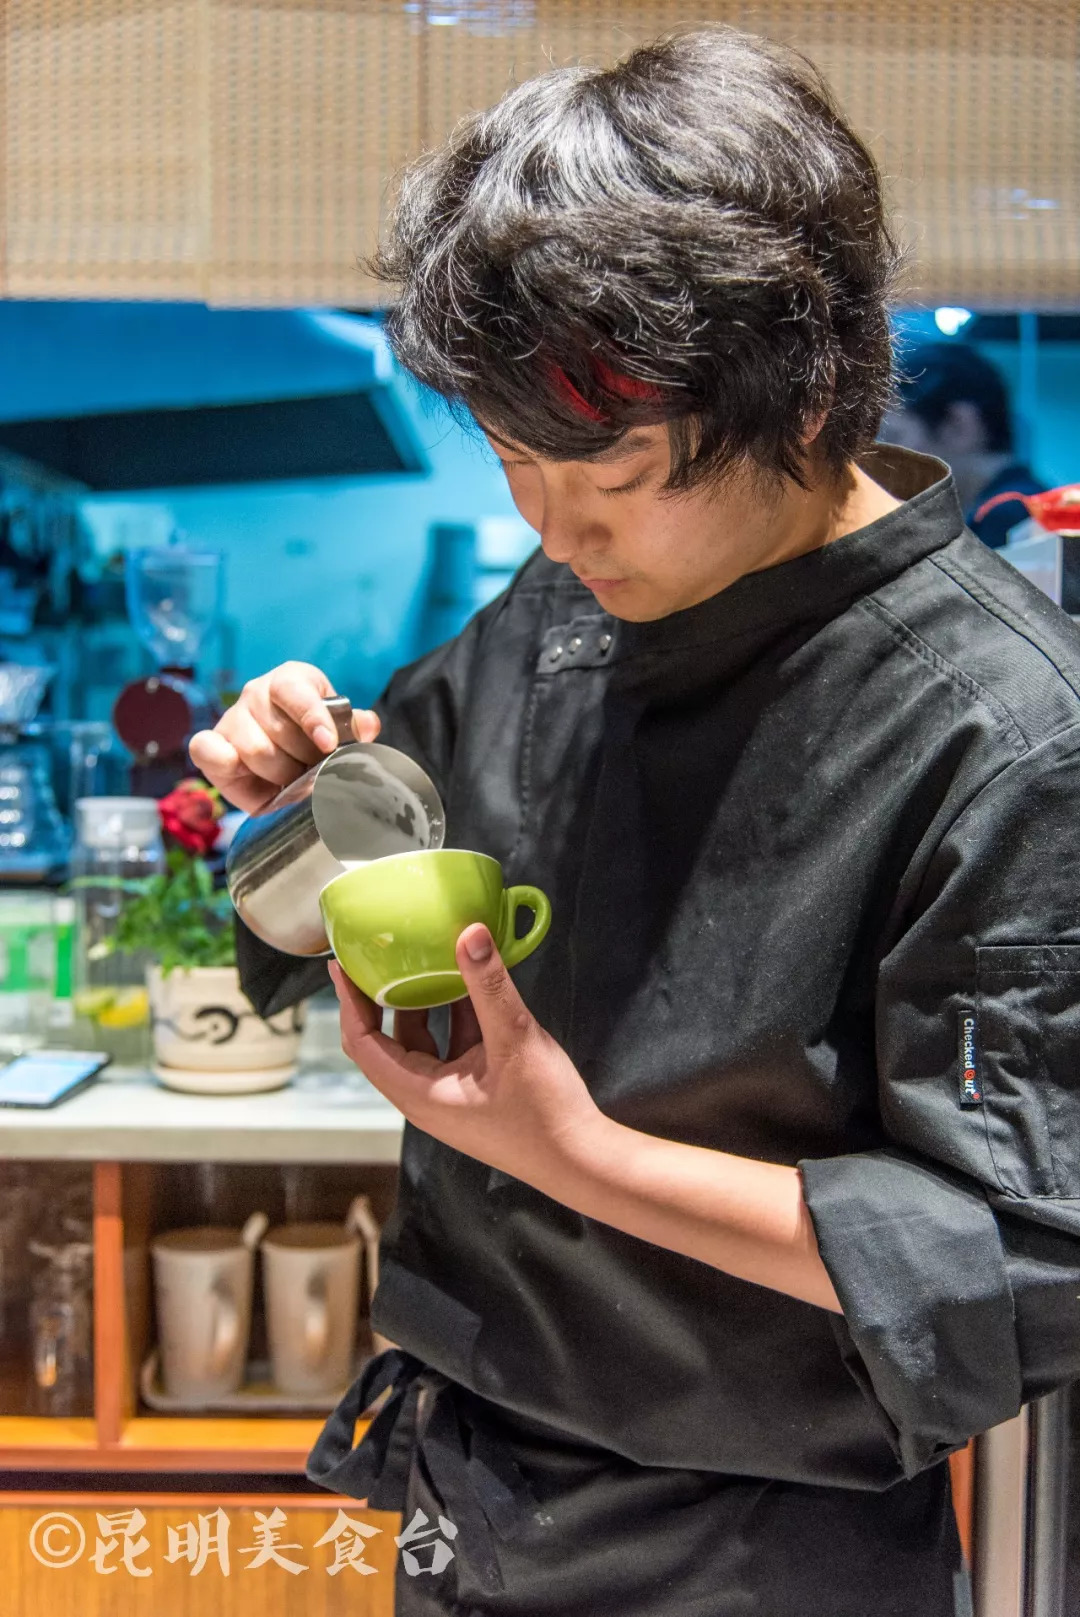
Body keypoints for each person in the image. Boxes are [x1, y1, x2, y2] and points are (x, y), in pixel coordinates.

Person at [191, 27, 1080, 1616]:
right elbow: (352, 892)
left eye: (614, 472)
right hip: (462, 1484)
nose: (552, 522)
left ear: (804, 386)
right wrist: (287, 807)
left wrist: (573, 1150)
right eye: (516, 460)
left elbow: (1019, 1254)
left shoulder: (1010, 732)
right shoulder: (567, 601)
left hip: (754, 1548)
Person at [880, 341, 1045, 548]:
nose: (884, 458)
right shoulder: (1015, 510)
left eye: (895, 437)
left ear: (958, 425)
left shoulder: (1008, 519)